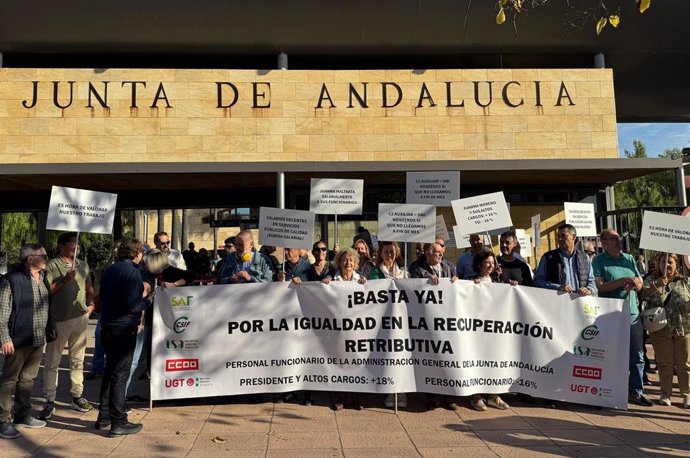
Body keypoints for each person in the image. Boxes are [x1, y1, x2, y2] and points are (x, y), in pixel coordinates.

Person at [40, 232, 96, 420]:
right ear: (61, 246)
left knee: (77, 359)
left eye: (77, 243)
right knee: (52, 361)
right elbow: (45, 291)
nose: (76, 246)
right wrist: (64, 280)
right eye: (73, 243)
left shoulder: (83, 265)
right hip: (59, 320)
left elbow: (89, 287)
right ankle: (49, 399)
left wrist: (91, 305)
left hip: (80, 318)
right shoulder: (52, 265)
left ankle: (77, 395)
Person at [0, 244, 54, 440]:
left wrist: (51, 326)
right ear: (30, 259)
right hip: (18, 339)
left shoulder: (43, 278)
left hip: (38, 338)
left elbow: (48, 305)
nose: (47, 258)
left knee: (28, 379)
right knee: (9, 380)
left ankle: (22, 415)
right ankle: (2, 420)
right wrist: (5, 338)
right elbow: (2, 312)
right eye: (43, 255)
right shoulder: (11, 280)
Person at [592, 228, 651, 407]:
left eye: (619, 238)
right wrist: (622, 281)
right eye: (613, 238)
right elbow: (600, 287)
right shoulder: (598, 260)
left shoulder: (629, 258)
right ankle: (608, 391)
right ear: (603, 242)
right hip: (609, 314)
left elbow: (640, 283)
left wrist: (636, 283)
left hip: (631, 312)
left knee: (637, 354)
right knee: (609, 354)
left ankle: (636, 391)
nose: (619, 241)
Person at [96, 238, 146, 436]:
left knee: (110, 372)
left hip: (108, 325)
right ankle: (118, 421)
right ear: (137, 253)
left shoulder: (110, 269)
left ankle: (104, 417)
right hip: (124, 327)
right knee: (119, 374)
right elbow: (134, 305)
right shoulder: (133, 272)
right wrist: (147, 302)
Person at [640, 253, 689, 407]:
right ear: (658, 263)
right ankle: (665, 393)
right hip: (660, 329)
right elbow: (643, 296)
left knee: (685, 364)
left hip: (684, 328)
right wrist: (658, 285)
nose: (667, 265)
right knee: (664, 363)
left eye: (671, 262)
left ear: (677, 265)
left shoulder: (685, 281)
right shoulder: (651, 279)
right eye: (664, 262)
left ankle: (687, 394)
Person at [323, 248, 366, 410]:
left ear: (355, 263)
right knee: (340, 360)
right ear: (339, 262)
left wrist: (365, 286)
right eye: (345, 260)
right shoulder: (332, 279)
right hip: (337, 328)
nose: (348, 263)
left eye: (351, 260)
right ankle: (340, 397)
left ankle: (356, 396)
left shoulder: (361, 280)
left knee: (355, 360)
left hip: (356, 328)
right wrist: (326, 285)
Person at [469, 251, 511, 411]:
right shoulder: (471, 281)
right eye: (487, 262)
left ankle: (493, 396)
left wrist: (511, 286)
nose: (490, 265)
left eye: (493, 263)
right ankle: (476, 396)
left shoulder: (499, 282)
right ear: (480, 264)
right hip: (477, 330)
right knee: (477, 361)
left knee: (494, 362)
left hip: (495, 331)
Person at [534, 224, 596, 296]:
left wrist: (589, 289)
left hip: (579, 302)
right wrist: (557, 287)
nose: (560, 239)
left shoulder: (584, 257)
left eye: (564, 236)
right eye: (558, 236)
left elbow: (592, 281)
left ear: (574, 237)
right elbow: (538, 281)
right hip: (558, 302)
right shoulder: (548, 257)